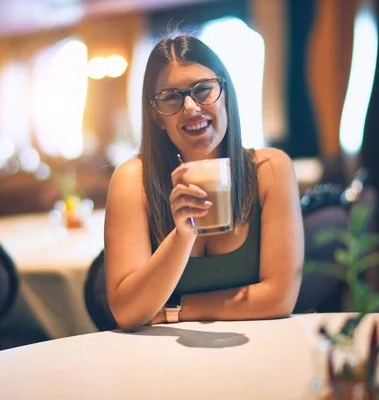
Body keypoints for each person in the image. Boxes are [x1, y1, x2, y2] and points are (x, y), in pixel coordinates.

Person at [104, 34, 304, 332]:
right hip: (161, 363)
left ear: (225, 94)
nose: (190, 107)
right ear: (157, 116)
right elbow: (128, 312)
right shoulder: (133, 179)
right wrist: (182, 236)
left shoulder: (270, 169)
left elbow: (280, 298)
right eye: (171, 97)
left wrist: (172, 310)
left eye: (203, 89)